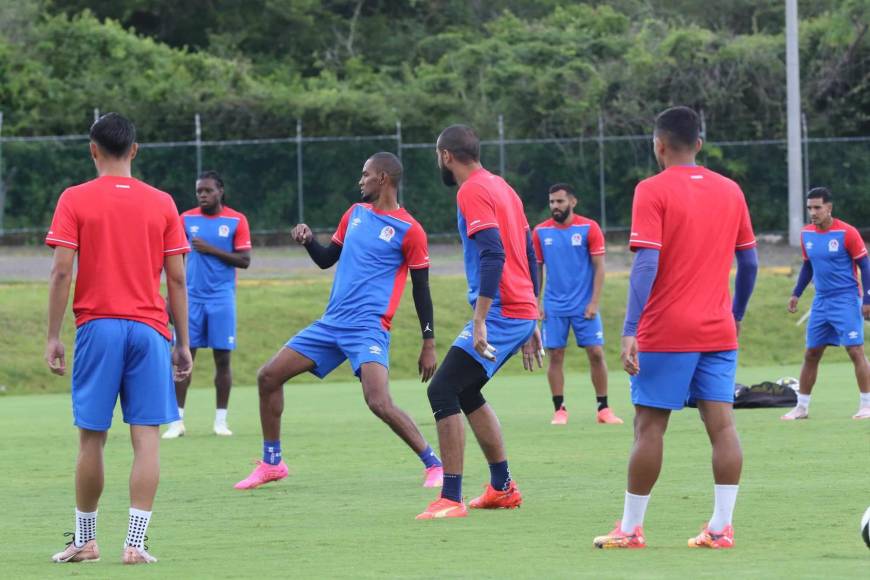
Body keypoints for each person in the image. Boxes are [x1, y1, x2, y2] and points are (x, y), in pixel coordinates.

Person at [592, 106, 758, 549]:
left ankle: (630, 529)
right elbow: (750, 261)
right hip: (718, 329)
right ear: (699, 144)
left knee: (649, 428)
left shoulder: (651, 189)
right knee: (722, 429)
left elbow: (646, 261)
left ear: (659, 145)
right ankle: (721, 528)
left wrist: (630, 328)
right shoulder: (731, 190)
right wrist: (736, 313)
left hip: (667, 330)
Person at [234, 152, 444, 490]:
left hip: (368, 329)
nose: (360, 180)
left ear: (383, 179)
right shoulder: (354, 214)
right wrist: (307, 241)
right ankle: (273, 463)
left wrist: (429, 343)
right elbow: (326, 259)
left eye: (365, 174)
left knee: (378, 401)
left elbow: (422, 289)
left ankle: (434, 465)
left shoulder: (410, 230)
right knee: (268, 377)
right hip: (331, 325)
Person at [45, 113, 192, 564]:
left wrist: (53, 335)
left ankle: (86, 540)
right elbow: (177, 279)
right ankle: (136, 542)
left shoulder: (74, 198)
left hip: (98, 328)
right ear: (135, 150)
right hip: (150, 330)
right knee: (146, 437)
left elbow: (62, 270)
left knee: (92, 438)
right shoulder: (163, 202)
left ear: (93, 150)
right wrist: (181, 342)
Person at [416, 124, 543, 520]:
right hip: (519, 309)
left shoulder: (471, 190)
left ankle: (450, 498)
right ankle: (502, 487)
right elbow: (528, 252)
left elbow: (493, 254)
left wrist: (481, 318)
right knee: (466, 392)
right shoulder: (503, 187)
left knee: (442, 390)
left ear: (446, 155)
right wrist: (533, 314)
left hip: (503, 311)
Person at [163, 171, 252, 438]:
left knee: (223, 360)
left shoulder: (236, 220)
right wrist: (169, 297)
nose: (202, 195)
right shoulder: (186, 219)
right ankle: (176, 421)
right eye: (199, 191)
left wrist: (211, 249)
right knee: (182, 359)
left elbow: (245, 261)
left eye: (208, 191)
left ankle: (220, 421)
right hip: (190, 300)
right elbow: (172, 257)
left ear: (220, 191)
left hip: (222, 298)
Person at [532, 183, 623, 425]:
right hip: (554, 305)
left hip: (585, 305)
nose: (555, 206)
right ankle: (559, 409)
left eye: (560, 201)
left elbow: (599, 267)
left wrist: (594, 302)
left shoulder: (589, 227)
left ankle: (603, 409)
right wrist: (536, 302)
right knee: (556, 355)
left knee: (596, 352)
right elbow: (537, 269)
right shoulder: (540, 231)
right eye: (552, 202)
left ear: (573, 202)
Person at [783, 187, 870, 420]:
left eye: (817, 207)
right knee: (811, 353)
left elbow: (865, 266)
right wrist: (796, 293)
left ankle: (866, 404)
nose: (813, 211)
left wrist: (868, 299)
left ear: (829, 208)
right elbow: (808, 266)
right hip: (821, 301)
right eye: (810, 207)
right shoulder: (806, 234)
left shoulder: (847, 233)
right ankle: (801, 407)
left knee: (855, 350)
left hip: (847, 298)